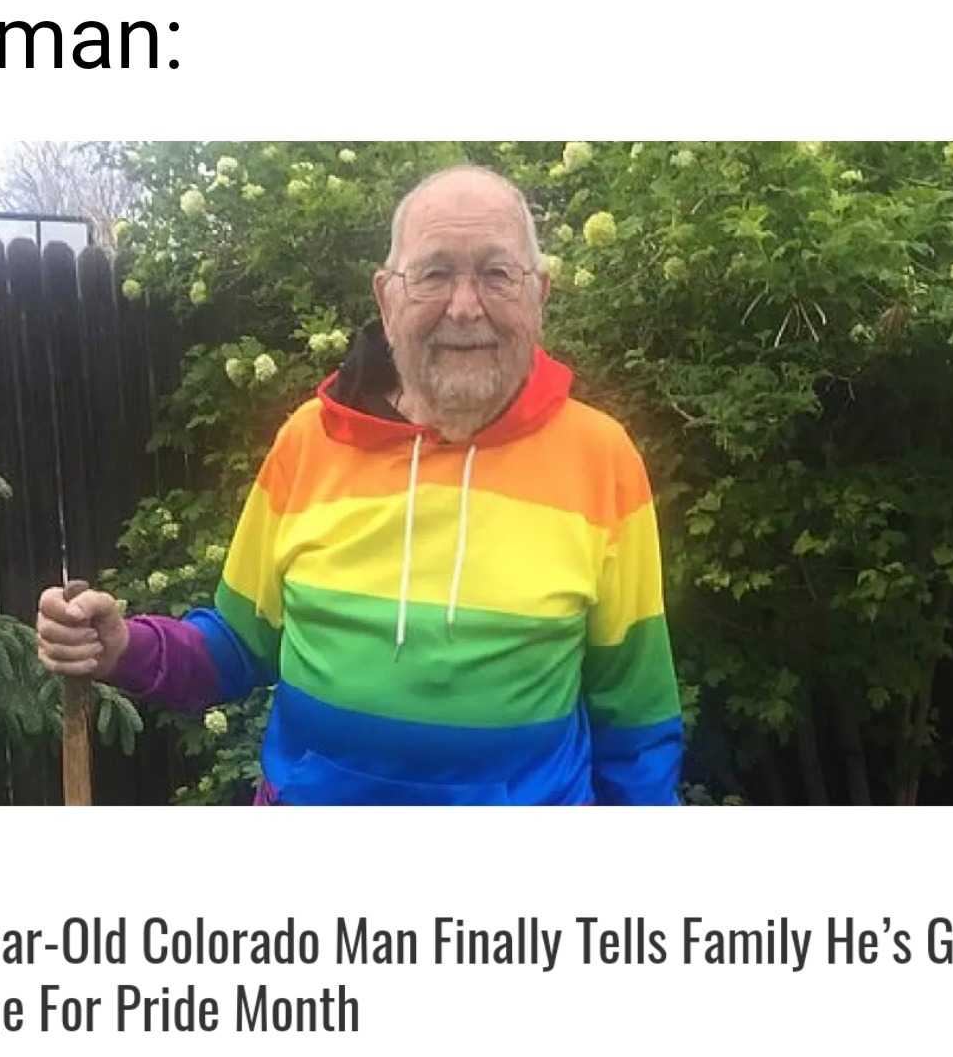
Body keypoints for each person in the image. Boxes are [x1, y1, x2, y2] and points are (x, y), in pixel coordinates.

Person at [36, 165, 684, 804]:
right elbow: (235, 644)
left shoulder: (601, 457)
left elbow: (636, 724)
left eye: (496, 272)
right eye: (433, 273)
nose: (465, 306)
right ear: (386, 296)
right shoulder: (308, 441)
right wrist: (123, 646)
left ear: (539, 294)